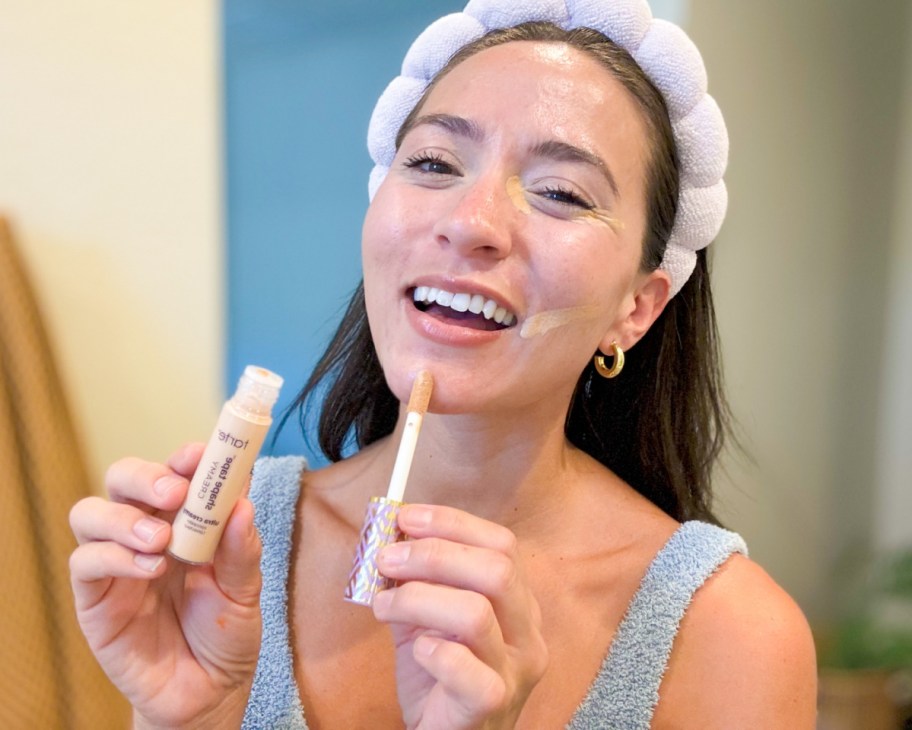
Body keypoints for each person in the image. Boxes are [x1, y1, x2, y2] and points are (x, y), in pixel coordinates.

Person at [69, 1, 818, 727]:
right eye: (432, 162)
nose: (471, 222)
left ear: (638, 307)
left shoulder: (733, 637)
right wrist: (195, 720)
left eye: (560, 193)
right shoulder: (217, 560)